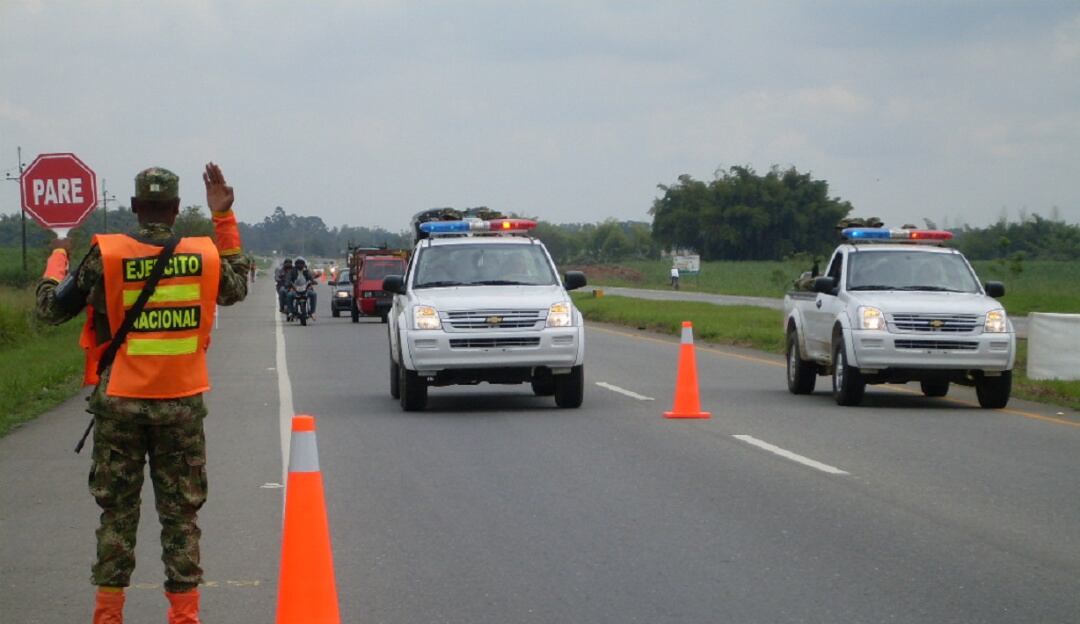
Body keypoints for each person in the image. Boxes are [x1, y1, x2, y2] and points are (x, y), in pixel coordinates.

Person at [35, 164, 250, 624]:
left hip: (119, 407)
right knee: (181, 519)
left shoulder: (106, 255)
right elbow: (237, 286)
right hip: (181, 404)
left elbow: (51, 309)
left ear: (135, 208)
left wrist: (57, 259)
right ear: (176, 209)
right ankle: (184, 618)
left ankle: (109, 617)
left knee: (117, 515)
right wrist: (223, 218)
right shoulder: (204, 255)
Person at [284, 256, 318, 320]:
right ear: (295, 264)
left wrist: (313, 281)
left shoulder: (306, 271)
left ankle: (312, 312)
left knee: (313, 294)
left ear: (304, 264)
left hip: (305, 289)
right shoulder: (292, 271)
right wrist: (287, 283)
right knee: (289, 295)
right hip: (295, 289)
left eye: (301, 263)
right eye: (298, 263)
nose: (300, 265)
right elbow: (288, 279)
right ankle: (291, 312)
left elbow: (311, 278)